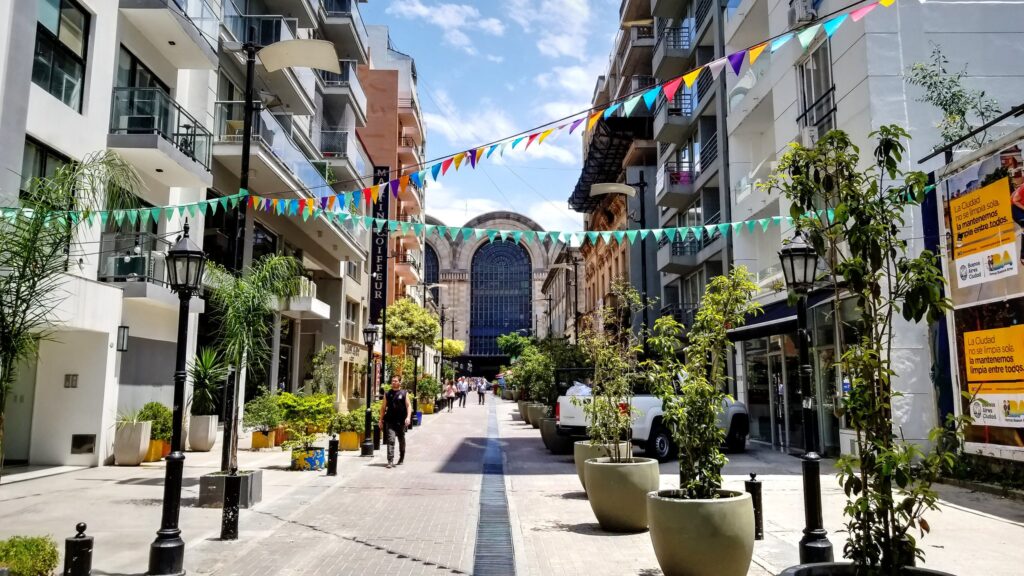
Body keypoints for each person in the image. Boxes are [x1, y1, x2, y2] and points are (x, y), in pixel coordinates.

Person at [379, 376, 411, 469]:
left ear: (399, 382)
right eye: (392, 381)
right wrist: (381, 420)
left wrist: (408, 417)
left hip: (401, 421)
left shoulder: (404, 393)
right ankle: (390, 460)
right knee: (391, 440)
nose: (393, 382)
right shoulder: (387, 393)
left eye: (395, 381)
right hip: (390, 420)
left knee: (401, 439)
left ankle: (401, 457)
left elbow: (408, 406)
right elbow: (383, 407)